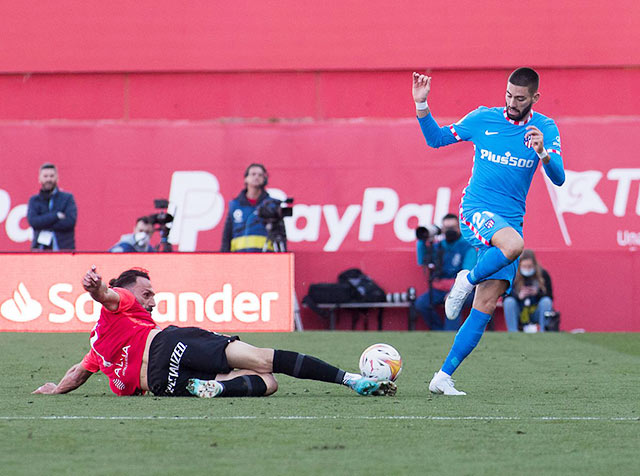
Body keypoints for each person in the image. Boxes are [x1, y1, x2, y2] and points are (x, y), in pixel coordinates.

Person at [412, 67, 565, 395]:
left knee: (487, 301)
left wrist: (543, 153)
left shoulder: (545, 128)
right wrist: (422, 106)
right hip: (477, 210)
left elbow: (560, 177)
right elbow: (436, 139)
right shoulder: (483, 118)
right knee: (514, 245)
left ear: (534, 98)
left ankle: (443, 375)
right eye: (508, 95)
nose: (512, 102)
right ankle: (465, 279)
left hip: (510, 219)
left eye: (520, 98)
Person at [33, 266, 396, 398]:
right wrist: (94, 286)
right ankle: (350, 380)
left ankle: (218, 388)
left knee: (269, 384)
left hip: (163, 385)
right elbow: (107, 295)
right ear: (130, 291)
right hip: (171, 345)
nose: (152, 301)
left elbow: (78, 373)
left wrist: (54, 391)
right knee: (262, 360)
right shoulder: (124, 301)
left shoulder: (98, 346)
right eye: (148, 294)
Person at [414, 214, 477, 331]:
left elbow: (467, 273)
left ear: (459, 228)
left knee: (454, 303)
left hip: (463, 289)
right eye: (446, 228)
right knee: (422, 303)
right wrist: (422, 240)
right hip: (440, 289)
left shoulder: (467, 246)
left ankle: (450, 334)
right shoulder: (438, 246)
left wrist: (455, 291)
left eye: (452, 227)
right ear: (442, 229)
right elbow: (421, 260)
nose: (449, 231)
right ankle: (438, 331)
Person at [220, 163, 281, 252]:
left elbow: (280, 234)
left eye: (260, 175)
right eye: (253, 174)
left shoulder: (272, 205)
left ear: (264, 179)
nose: (256, 177)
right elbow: (227, 235)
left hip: (266, 258)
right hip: (239, 258)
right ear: (246, 178)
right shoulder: (235, 205)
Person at [27, 163, 77, 251]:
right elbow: (33, 222)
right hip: (40, 250)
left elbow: (70, 222)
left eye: (51, 176)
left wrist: (43, 223)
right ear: (40, 179)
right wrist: (56, 216)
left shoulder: (67, 198)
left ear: (57, 178)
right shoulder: (34, 200)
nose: (49, 179)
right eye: (45, 176)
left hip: (64, 250)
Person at [503, 249, 554, 333]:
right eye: (524, 266)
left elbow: (549, 296)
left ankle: (544, 331)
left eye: (529, 266)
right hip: (519, 310)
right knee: (509, 302)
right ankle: (513, 332)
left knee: (546, 301)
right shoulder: (513, 275)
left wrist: (537, 293)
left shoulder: (543, 274)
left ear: (534, 265)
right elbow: (505, 296)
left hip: (535, 310)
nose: (527, 269)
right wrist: (518, 295)